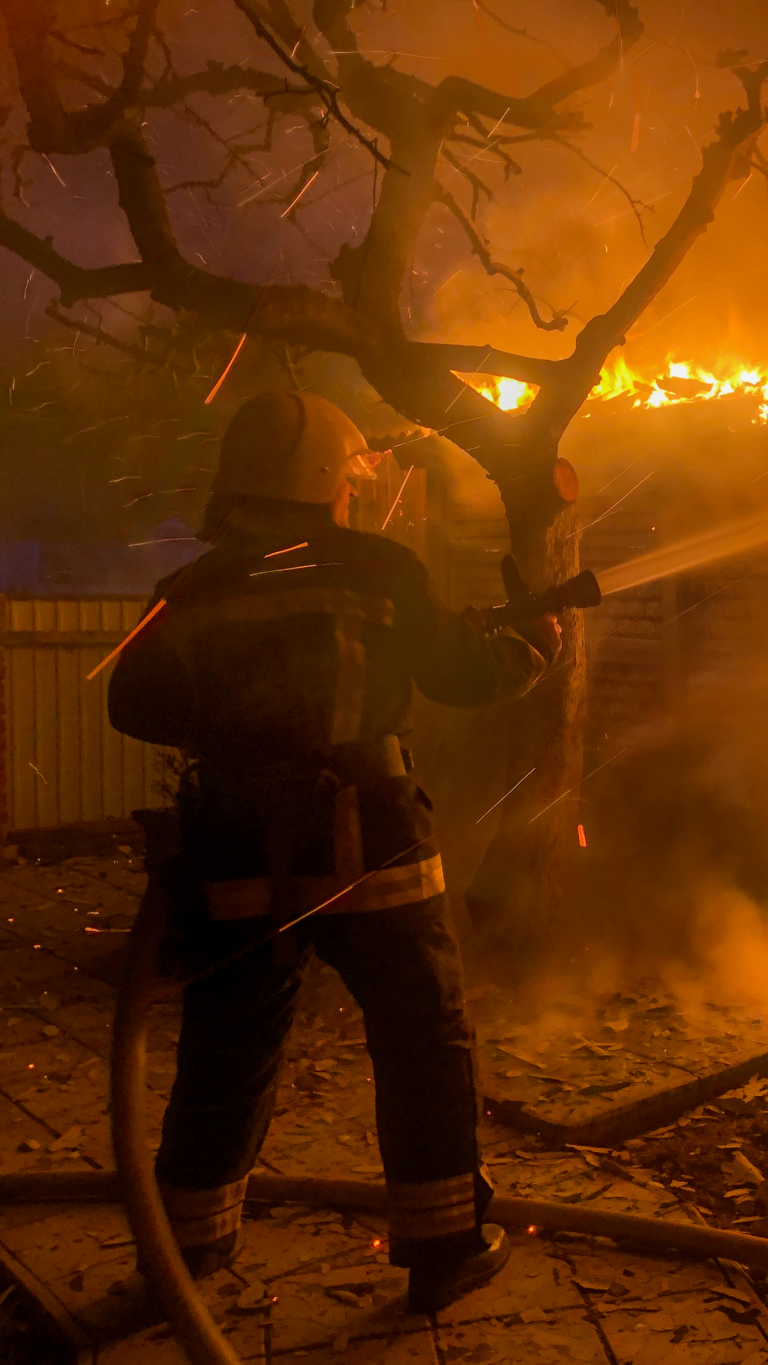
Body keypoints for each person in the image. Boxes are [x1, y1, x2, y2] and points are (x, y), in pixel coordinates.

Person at [108, 390, 558, 1311]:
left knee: (226, 1045)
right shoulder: (378, 569)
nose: (357, 495)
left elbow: (135, 705)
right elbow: (464, 672)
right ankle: (443, 1247)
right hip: (372, 841)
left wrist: (239, 730)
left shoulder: (189, 591)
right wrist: (533, 646)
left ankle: (186, 1252)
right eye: (351, 480)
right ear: (326, 479)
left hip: (233, 848)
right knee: (421, 1038)